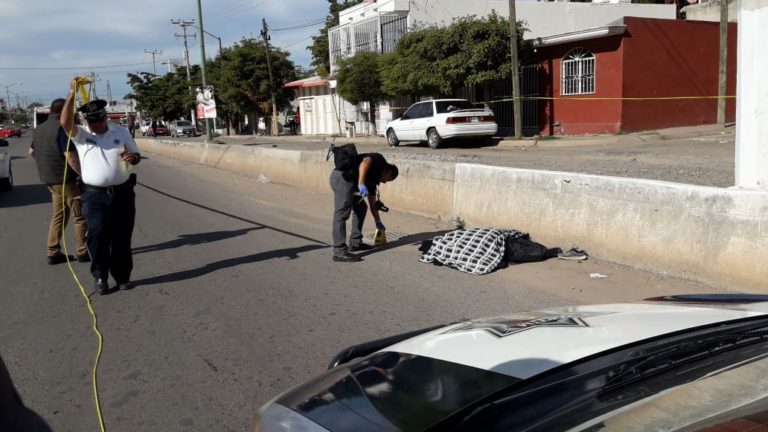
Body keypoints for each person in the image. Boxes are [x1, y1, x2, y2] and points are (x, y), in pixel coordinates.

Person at [61, 78, 141, 295]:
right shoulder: (81, 136)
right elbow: (65, 121)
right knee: (97, 236)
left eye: (98, 120)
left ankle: (123, 277)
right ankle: (100, 277)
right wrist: (71, 93)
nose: (95, 125)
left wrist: (132, 157)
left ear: (105, 117)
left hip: (122, 194)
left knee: (122, 238)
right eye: (91, 121)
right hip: (95, 197)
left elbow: (136, 155)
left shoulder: (121, 132)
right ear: (86, 121)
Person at [29, 98, 90, 265]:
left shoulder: (39, 129)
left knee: (59, 215)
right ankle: (83, 251)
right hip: (67, 180)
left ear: (50, 112)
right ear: (66, 112)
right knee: (80, 216)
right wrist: (84, 174)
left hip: (49, 180)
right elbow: (70, 156)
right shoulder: (62, 129)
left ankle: (53, 251)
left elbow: (31, 152)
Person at [330, 152, 398, 262]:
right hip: (342, 178)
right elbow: (365, 161)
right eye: (388, 179)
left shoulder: (374, 180)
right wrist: (361, 183)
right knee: (342, 213)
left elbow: (372, 203)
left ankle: (355, 243)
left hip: (351, 183)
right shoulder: (379, 161)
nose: (385, 182)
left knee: (361, 208)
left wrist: (378, 222)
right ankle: (339, 251)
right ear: (388, 172)